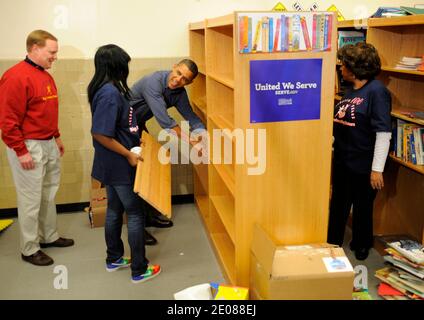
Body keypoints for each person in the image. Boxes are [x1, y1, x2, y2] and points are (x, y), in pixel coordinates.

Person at [87, 44, 161, 283]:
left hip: (110, 163)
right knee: (135, 214)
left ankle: (114, 258)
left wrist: (135, 136)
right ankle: (139, 269)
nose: (127, 69)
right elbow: (100, 133)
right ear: (116, 65)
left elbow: (117, 126)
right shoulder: (109, 93)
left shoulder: (107, 89)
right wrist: (129, 154)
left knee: (114, 210)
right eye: (125, 64)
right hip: (119, 164)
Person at [0, 30, 74, 266]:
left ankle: (48, 236)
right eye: (51, 52)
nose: (55, 57)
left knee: (49, 193)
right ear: (34, 48)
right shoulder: (15, 77)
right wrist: (20, 150)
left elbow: (45, 112)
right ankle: (29, 248)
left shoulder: (44, 75)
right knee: (30, 199)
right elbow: (7, 120)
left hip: (48, 142)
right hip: (28, 145)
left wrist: (57, 137)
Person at [130, 59, 206, 244]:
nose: (178, 79)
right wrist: (193, 142)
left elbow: (190, 116)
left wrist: (205, 137)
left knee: (147, 173)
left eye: (185, 79)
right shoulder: (153, 82)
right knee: (135, 176)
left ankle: (148, 217)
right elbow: (166, 122)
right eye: (178, 73)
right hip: (125, 126)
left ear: (189, 83)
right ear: (174, 67)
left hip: (138, 125)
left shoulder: (179, 93)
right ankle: (138, 228)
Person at [327, 42, 392, 261]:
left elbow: (383, 133)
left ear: (354, 68)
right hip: (343, 160)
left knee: (362, 208)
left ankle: (362, 245)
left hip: (364, 164)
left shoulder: (377, 92)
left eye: (343, 65)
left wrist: (376, 170)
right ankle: (332, 241)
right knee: (338, 203)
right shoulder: (350, 89)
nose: (341, 68)